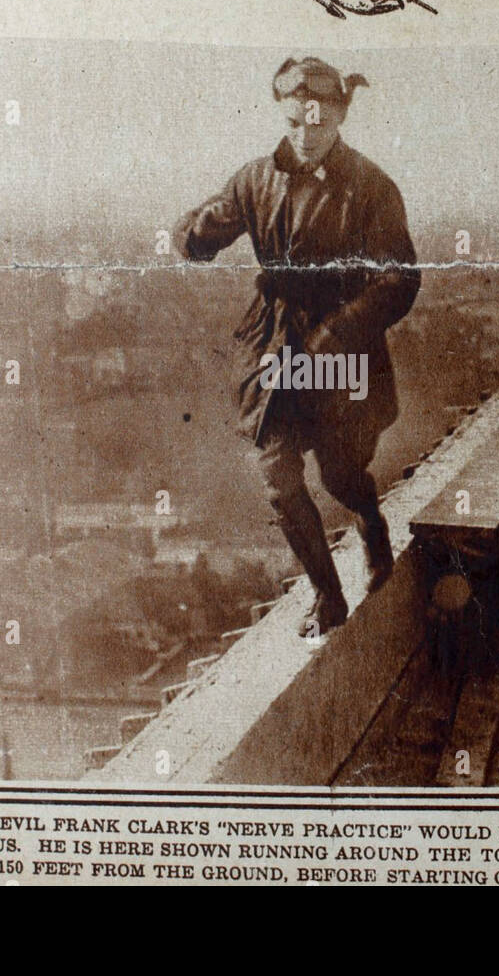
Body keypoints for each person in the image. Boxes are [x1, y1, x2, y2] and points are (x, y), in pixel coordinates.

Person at [173, 57, 421, 636]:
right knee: (278, 472)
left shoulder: (371, 187)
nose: (305, 135)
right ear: (283, 116)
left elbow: (399, 280)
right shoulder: (256, 178)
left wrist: (334, 337)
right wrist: (191, 234)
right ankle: (327, 595)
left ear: (337, 117)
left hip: (342, 346)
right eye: (293, 122)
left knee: (339, 474)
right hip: (275, 340)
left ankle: (368, 521)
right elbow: (211, 223)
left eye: (317, 122)